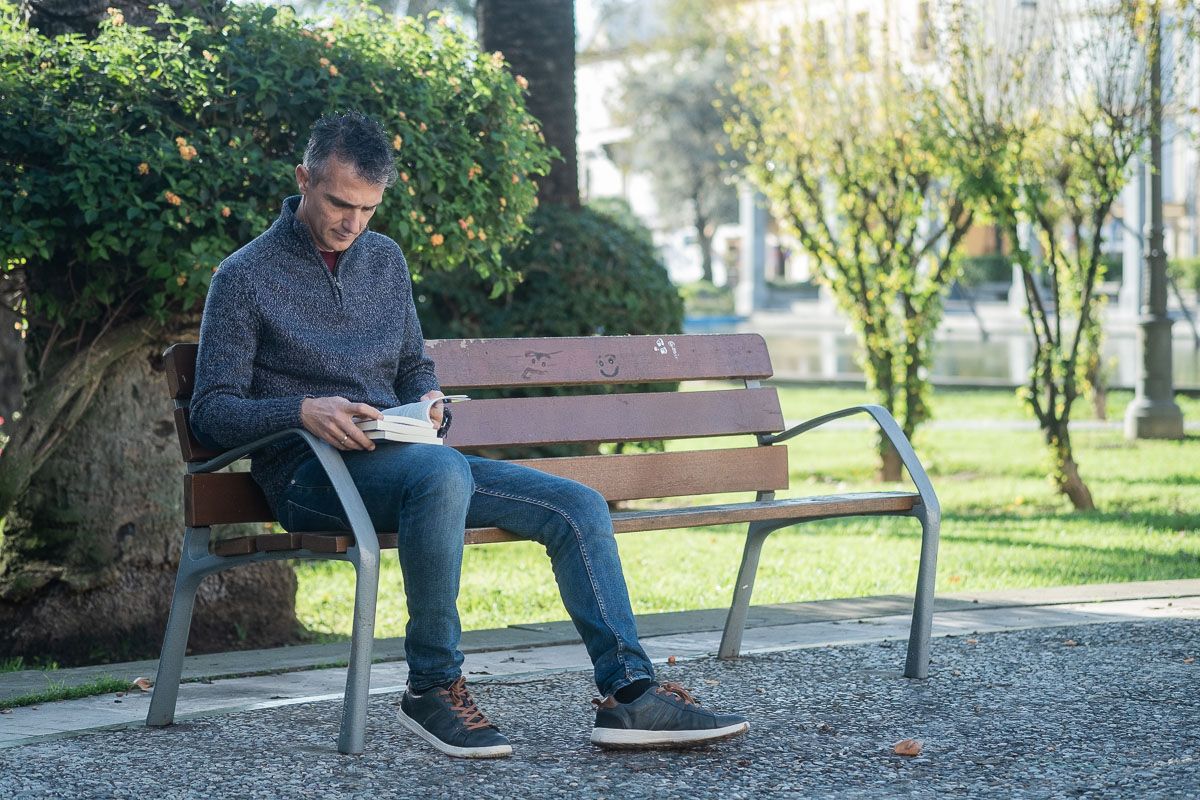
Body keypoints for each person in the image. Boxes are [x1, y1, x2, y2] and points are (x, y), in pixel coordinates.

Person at [189, 111, 748, 759]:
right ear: (303, 181)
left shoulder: (385, 261)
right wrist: (301, 411)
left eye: (369, 208)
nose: (354, 223)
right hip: (307, 476)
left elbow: (411, 368)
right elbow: (212, 410)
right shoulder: (244, 277)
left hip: (408, 461)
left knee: (577, 505)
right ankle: (432, 685)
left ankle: (629, 695)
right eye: (341, 203)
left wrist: (430, 404)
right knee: (443, 472)